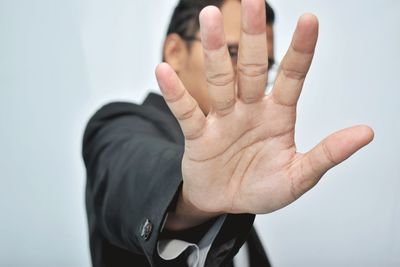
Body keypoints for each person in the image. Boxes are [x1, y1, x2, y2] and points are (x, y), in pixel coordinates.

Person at [82, 0, 374, 266]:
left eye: (264, 64)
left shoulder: (236, 209)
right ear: (175, 52)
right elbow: (131, 176)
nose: (251, 73)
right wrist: (189, 200)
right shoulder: (118, 124)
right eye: (233, 52)